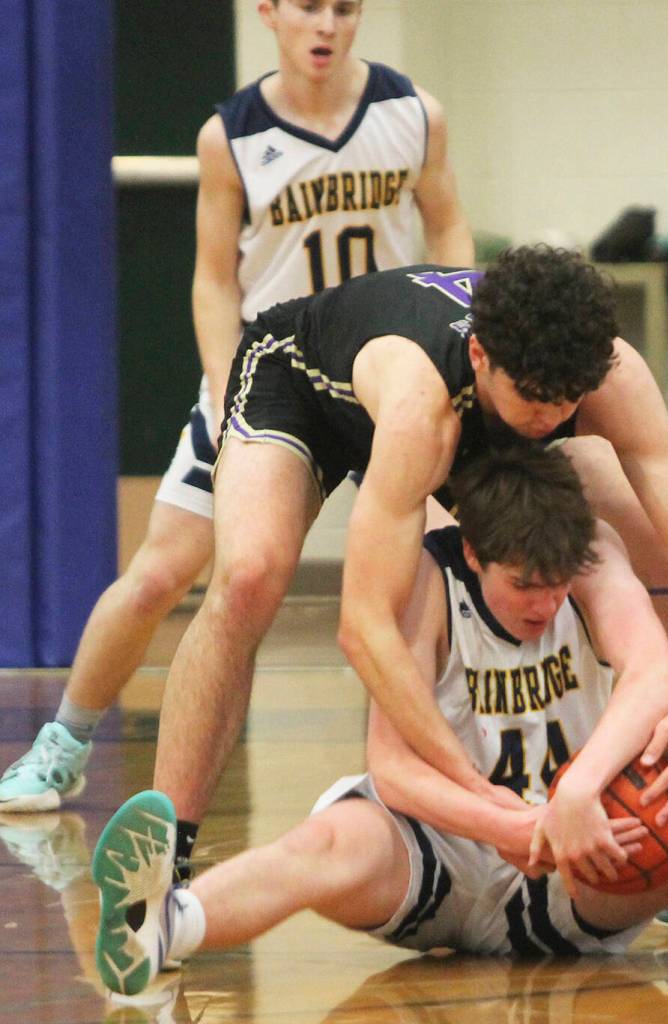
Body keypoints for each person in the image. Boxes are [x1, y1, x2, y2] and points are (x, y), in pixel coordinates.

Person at [89, 446, 668, 998]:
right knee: (324, 841)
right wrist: (515, 821)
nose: (547, 601)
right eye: (525, 584)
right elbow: (396, 769)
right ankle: (163, 928)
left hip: (584, 876)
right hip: (441, 860)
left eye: (558, 582)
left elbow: (652, 673)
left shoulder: (586, 554)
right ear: (477, 553)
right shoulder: (422, 583)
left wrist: (581, 794)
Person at [0, 0, 472, 817]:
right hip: (277, 373)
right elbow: (214, 279)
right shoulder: (231, 136)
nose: (326, 25)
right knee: (163, 570)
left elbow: (450, 227)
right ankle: (64, 742)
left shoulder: (413, 115)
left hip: (389, 375)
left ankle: (444, 761)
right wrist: (224, 389)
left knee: (444, 564)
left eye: (345, 9)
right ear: (269, 14)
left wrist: (459, 329)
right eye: (309, 8)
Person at [145, 244, 668, 878]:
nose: (554, 418)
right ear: (481, 357)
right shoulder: (421, 411)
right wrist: (482, 799)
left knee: (658, 546)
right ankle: (162, 853)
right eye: (536, 398)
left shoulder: (609, 377)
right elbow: (363, 627)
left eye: (569, 401)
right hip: (302, 381)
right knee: (248, 579)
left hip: (463, 414)